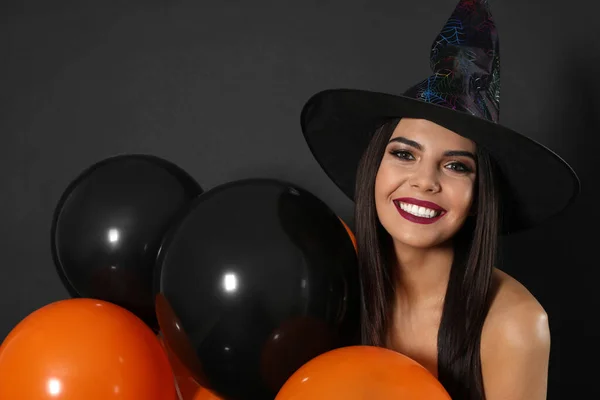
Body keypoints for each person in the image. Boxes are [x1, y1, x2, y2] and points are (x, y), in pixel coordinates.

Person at [298, 0, 580, 399]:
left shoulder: (514, 323)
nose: (424, 181)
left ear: (481, 195)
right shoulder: (327, 285)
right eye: (404, 154)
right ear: (373, 168)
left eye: (456, 166)